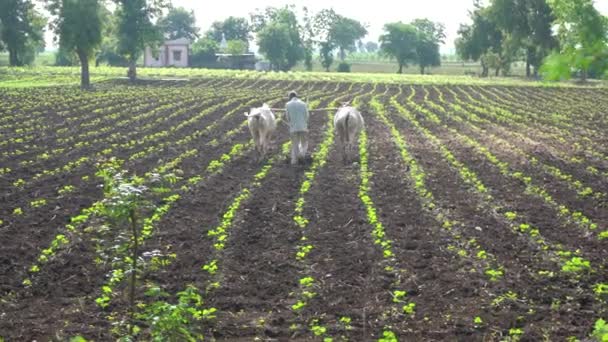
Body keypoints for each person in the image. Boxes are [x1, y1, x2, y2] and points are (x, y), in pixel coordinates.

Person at [285, 91, 309, 165]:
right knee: (304, 143)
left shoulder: (288, 104)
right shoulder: (303, 104)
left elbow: (288, 117)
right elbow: (307, 116)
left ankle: (294, 161)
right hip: (303, 127)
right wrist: (304, 123)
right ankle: (301, 154)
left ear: (290, 97)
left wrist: (290, 123)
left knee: (295, 144)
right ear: (296, 96)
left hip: (293, 128)